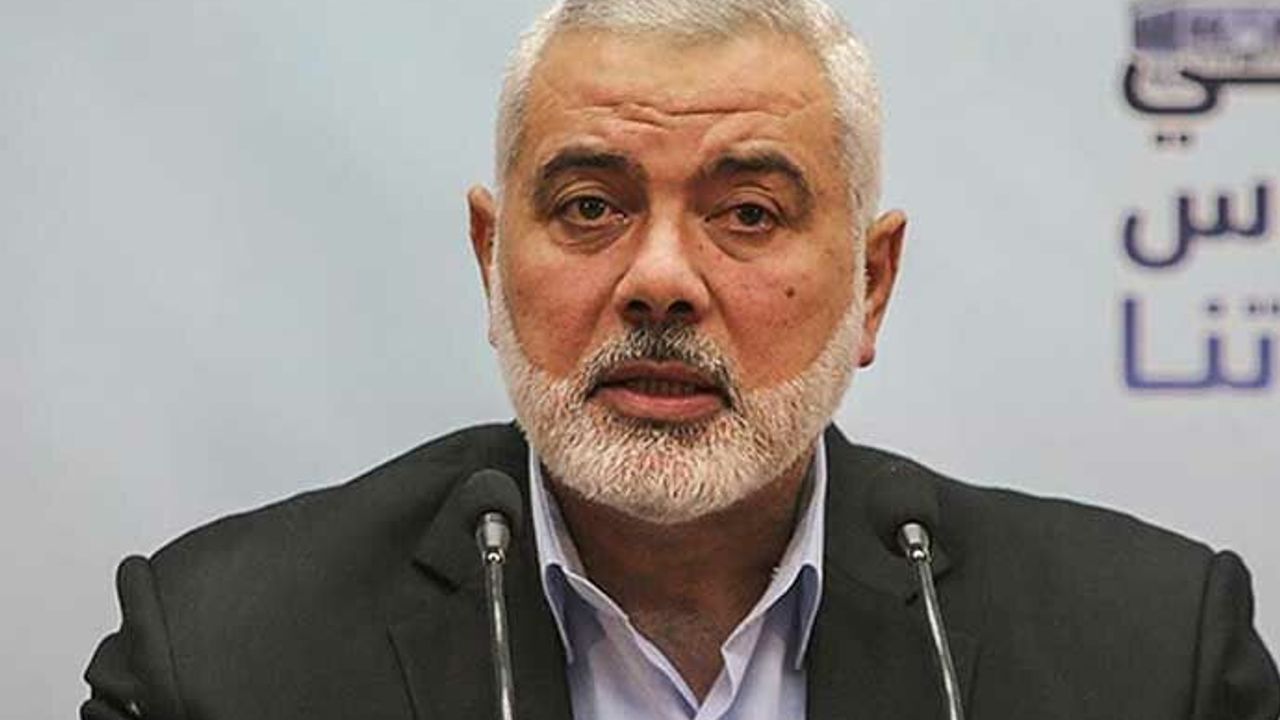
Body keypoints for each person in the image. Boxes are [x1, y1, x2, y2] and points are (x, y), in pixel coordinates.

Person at [82, 1, 1279, 718]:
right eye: (590, 207)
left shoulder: (1147, 653)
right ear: (491, 263)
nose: (659, 280)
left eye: (747, 213)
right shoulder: (223, 658)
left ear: (870, 284)